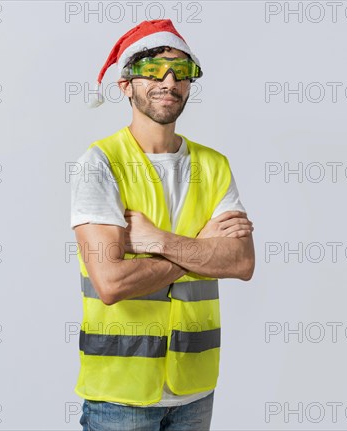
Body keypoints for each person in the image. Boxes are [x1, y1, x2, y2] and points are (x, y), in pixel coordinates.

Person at [70, 19, 255, 431]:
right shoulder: (100, 165)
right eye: (153, 70)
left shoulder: (213, 165)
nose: (168, 81)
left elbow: (241, 262)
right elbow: (111, 283)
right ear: (125, 85)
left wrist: (158, 241)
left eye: (181, 72)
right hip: (119, 395)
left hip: (195, 389)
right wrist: (200, 249)